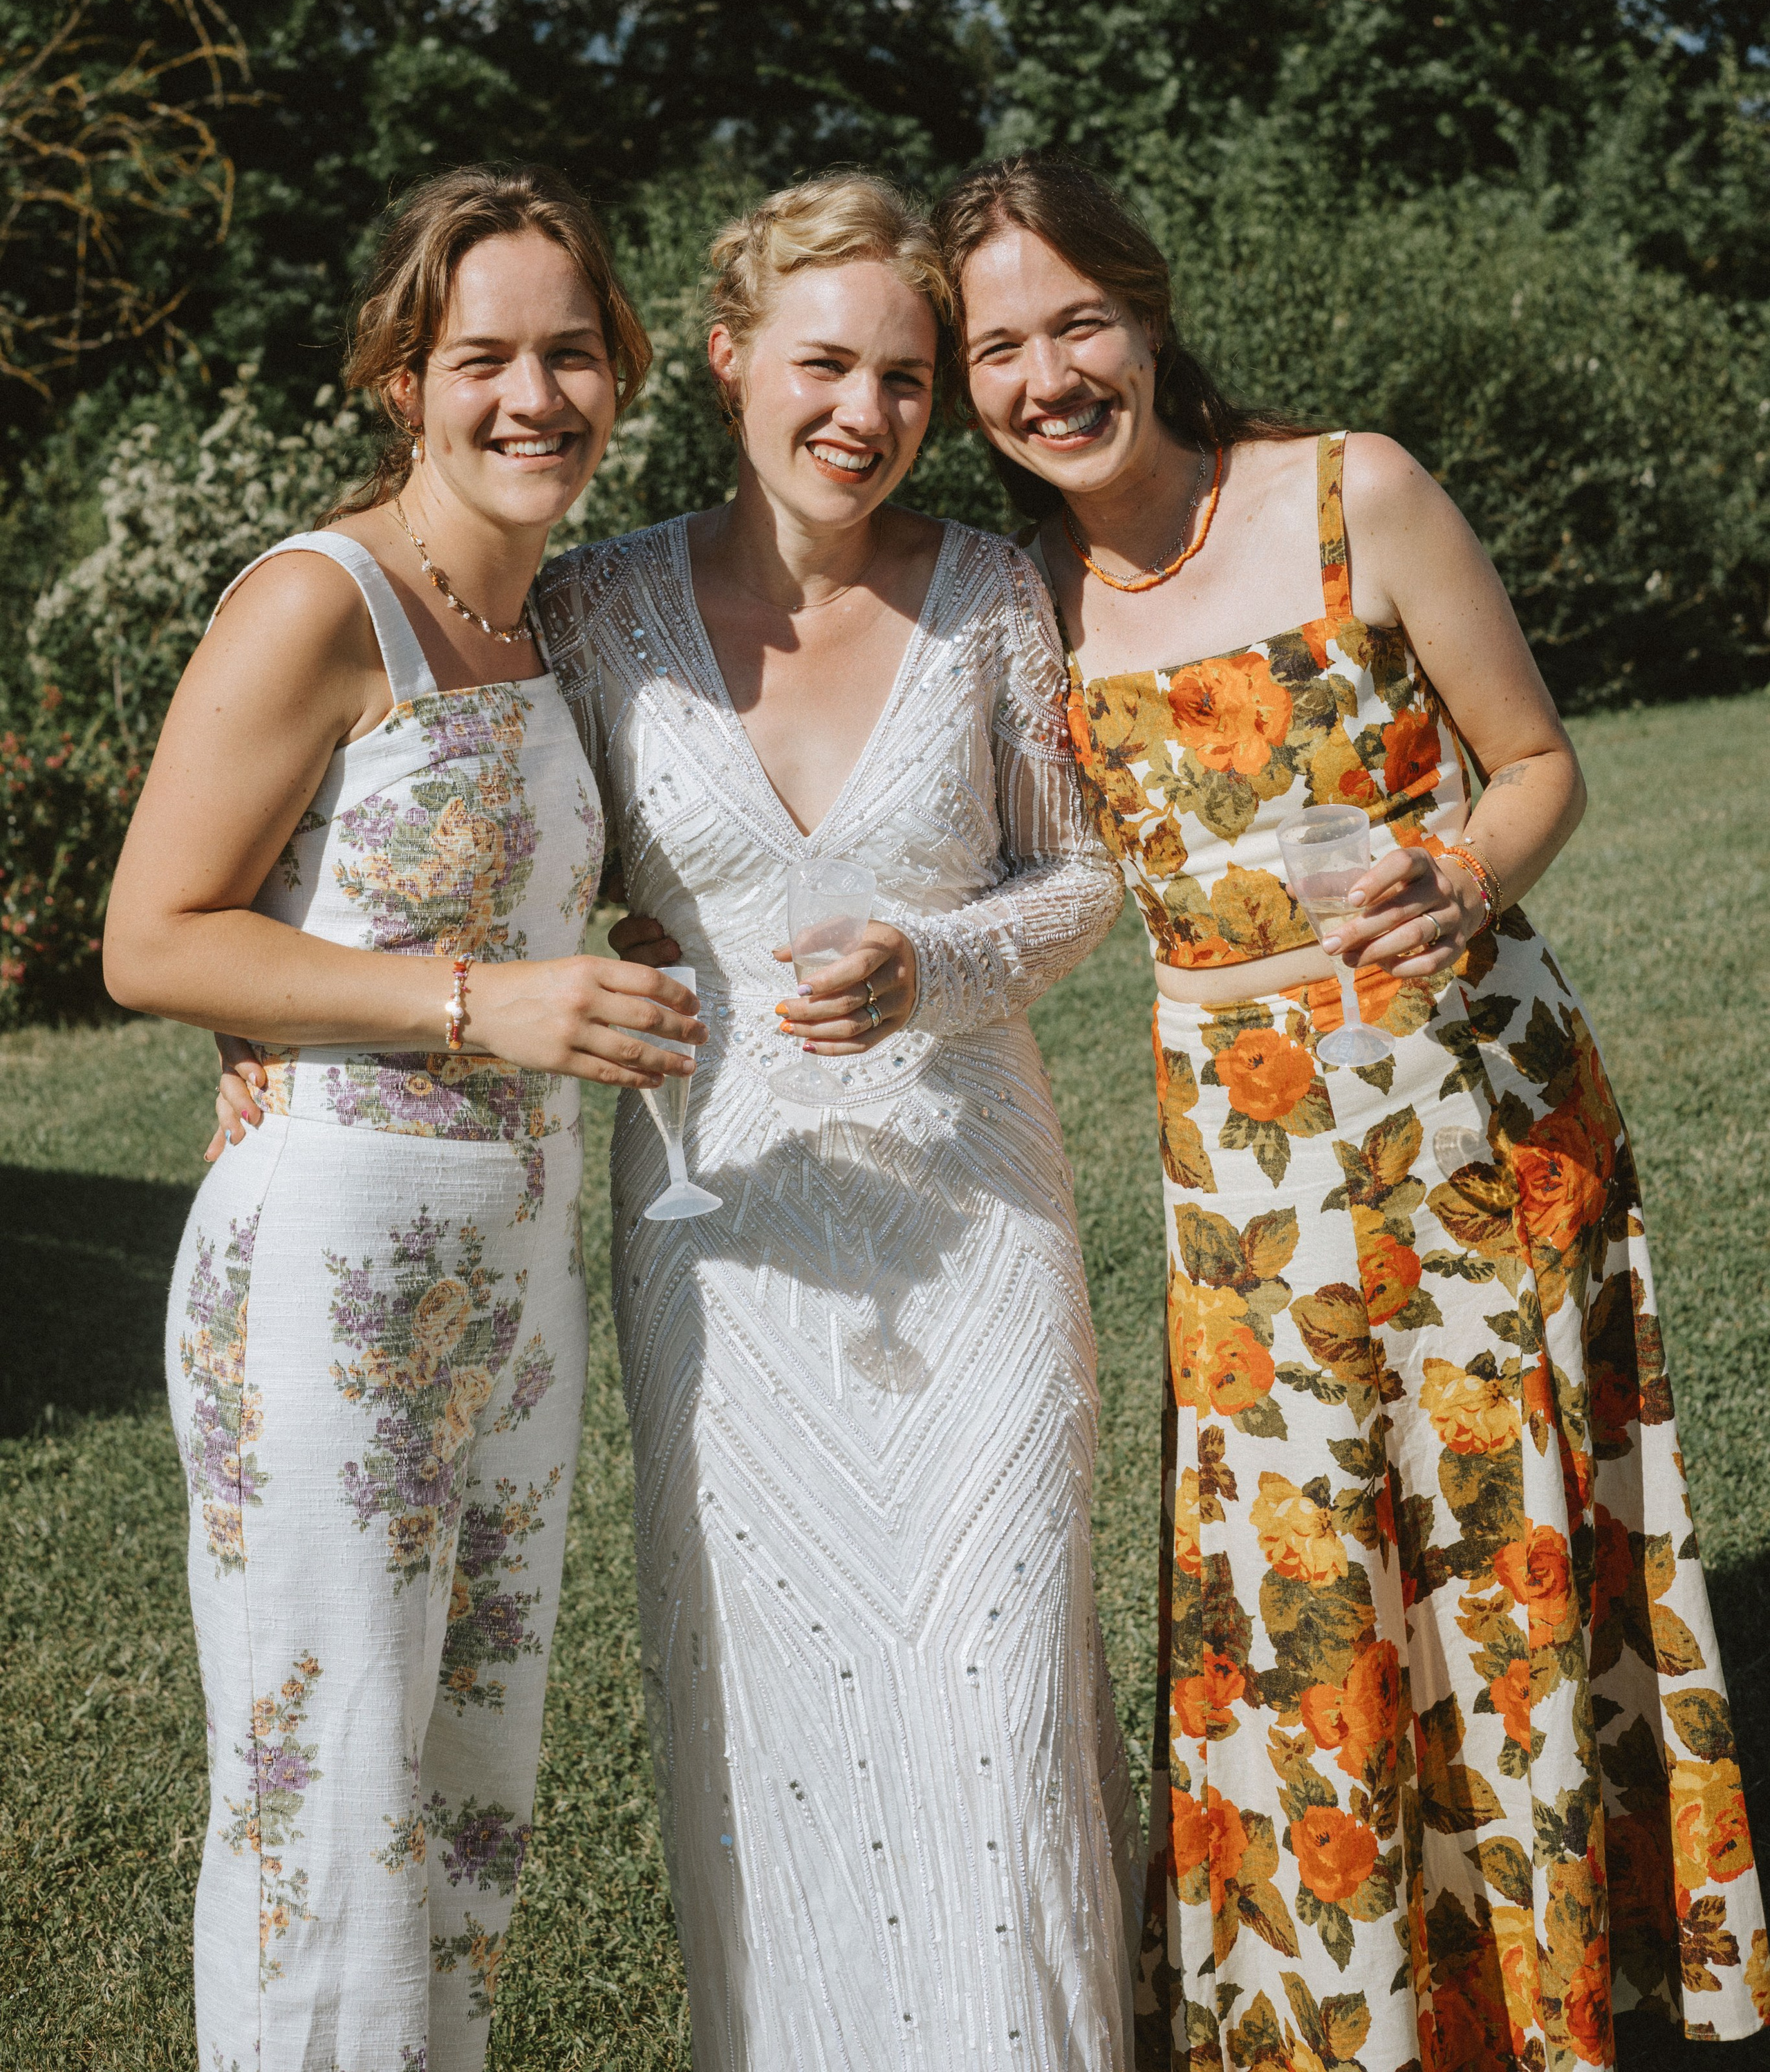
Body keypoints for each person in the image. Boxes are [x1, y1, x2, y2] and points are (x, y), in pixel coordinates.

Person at [935, 152, 1769, 2070]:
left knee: (1505, 1554)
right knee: (1306, 1573)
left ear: (1148, 315)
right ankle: (1345, 2015)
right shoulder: (1022, 592)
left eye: (1080, 321)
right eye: (1000, 346)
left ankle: (1556, 2003)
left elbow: (1538, 761)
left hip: (1477, 1119)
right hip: (1243, 1179)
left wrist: (1469, 875)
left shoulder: (1351, 490)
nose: (1051, 375)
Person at [534, 172, 1142, 2067]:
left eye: (904, 380)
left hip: (976, 1230)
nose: (864, 417)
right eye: (824, 365)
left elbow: (1083, 873)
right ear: (727, 357)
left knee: (1000, 1690)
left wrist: (936, 968)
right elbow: (489, 851)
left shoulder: (985, 601)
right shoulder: (593, 607)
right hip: (725, 1245)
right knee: (775, 1714)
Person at [105, 165, 702, 2072]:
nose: (536, 398)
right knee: (330, 1784)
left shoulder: (543, 623)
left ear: (623, 369)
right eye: (484, 359)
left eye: (573, 353)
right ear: (399, 376)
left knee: (469, 1781)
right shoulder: (321, 601)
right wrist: (481, 1002)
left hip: (514, 1268)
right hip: (332, 1273)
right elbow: (151, 939)